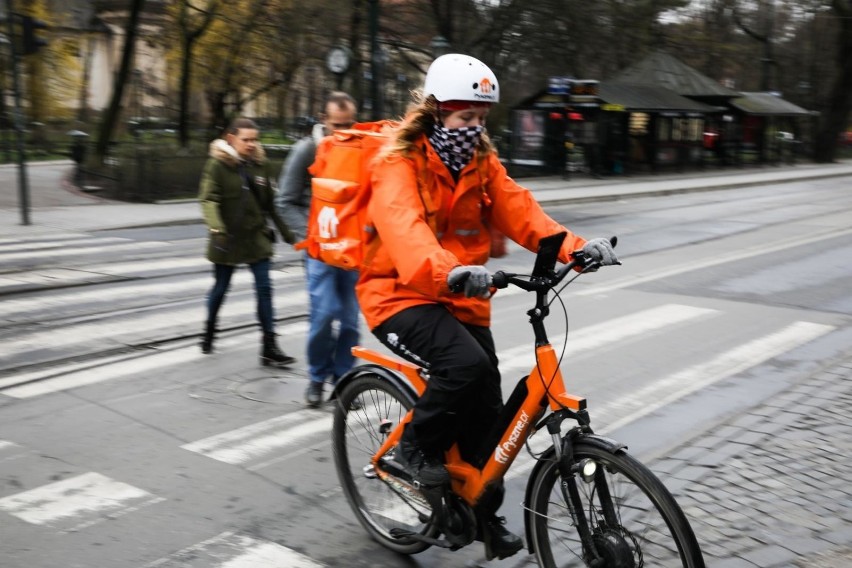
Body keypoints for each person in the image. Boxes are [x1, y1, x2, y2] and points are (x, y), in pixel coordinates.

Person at [358, 54, 619, 560]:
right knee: (465, 366)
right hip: (398, 293)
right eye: (463, 118)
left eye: (480, 119)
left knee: (487, 414)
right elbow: (404, 229)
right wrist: (448, 270)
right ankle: (413, 448)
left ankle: (478, 513)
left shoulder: (480, 162)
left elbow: (519, 210)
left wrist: (576, 248)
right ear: (435, 111)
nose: (473, 129)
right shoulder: (398, 162)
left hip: (460, 296)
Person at [277, 92, 360, 407]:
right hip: (319, 251)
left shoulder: (359, 149)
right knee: (324, 315)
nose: (343, 130)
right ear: (323, 121)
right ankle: (316, 378)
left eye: (349, 123)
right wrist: (309, 235)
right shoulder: (308, 150)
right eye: (336, 124)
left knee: (351, 321)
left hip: (352, 251)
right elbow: (284, 199)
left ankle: (343, 381)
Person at [199, 117, 297, 367]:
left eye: (255, 139)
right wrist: (216, 227)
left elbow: (272, 205)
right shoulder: (217, 165)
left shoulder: (261, 166)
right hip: (227, 239)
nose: (252, 144)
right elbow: (209, 199)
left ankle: (269, 345)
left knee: (264, 288)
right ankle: (209, 329)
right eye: (246, 140)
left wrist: (290, 235)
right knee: (221, 287)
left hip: (256, 238)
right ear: (231, 139)